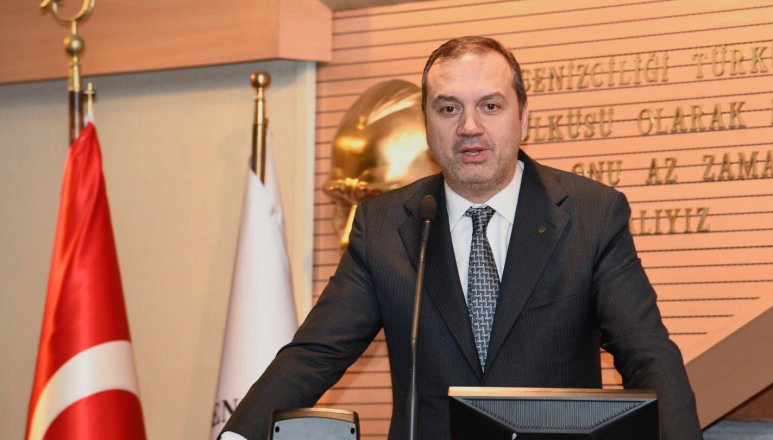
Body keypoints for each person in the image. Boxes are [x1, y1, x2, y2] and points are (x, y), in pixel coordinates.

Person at [221, 36, 702, 440]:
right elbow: (315, 354)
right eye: (449, 108)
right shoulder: (384, 226)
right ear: (427, 124)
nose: (469, 127)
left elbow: (647, 353)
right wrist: (237, 437)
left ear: (523, 118)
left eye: (490, 106)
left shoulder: (591, 215)